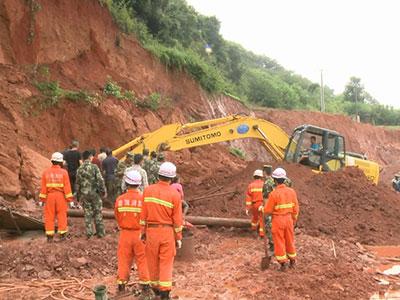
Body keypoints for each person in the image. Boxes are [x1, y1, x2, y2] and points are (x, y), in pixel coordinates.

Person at [140, 162, 183, 300]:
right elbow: (177, 220)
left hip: (151, 232)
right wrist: (178, 237)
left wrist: (143, 232)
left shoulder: (147, 190)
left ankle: (156, 290)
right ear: (172, 178)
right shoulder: (174, 195)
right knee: (166, 262)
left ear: (159, 174)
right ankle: (165, 294)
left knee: (152, 261)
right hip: (167, 233)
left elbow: (143, 215)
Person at [114, 170, 151, 297]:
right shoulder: (144, 200)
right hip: (140, 234)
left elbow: (117, 217)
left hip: (125, 234)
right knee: (143, 259)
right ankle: (146, 287)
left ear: (126, 183)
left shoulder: (119, 200)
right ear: (139, 184)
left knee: (124, 259)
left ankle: (121, 287)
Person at [263, 167, 299, 271]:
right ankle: (292, 261)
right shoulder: (292, 192)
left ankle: (283, 264)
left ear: (274, 180)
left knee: (279, 241)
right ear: (284, 179)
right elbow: (296, 208)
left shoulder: (273, 194)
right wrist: (294, 220)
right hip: (288, 219)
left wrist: (263, 210)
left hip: (278, 220)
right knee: (289, 240)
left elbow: (268, 211)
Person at [39, 152, 74, 242]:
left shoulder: (45, 172)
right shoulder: (64, 172)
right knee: (61, 215)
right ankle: (62, 235)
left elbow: (43, 188)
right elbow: (67, 187)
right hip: (60, 197)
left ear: (52, 161)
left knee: (49, 216)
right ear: (60, 162)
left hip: (50, 197)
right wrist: (70, 200)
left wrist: (42, 200)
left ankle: (50, 237)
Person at [75, 150, 107, 239]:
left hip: (84, 194)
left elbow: (77, 183)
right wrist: (103, 191)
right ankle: (100, 233)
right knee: (97, 212)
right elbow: (100, 180)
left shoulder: (79, 169)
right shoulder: (94, 167)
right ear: (90, 157)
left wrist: (78, 195)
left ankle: (89, 233)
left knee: (87, 213)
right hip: (94, 193)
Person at [245, 169, 265, 238]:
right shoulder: (264, 185)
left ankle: (254, 230)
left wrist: (248, 208)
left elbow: (248, 199)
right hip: (262, 204)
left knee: (255, 218)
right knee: (262, 219)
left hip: (254, 205)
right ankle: (262, 234)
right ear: (261, 176)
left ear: (254, 176)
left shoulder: (251, 186)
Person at [262, 165, 275, 251]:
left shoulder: (267, 184)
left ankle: (272, 245)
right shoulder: (275, 181)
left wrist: (265, 211)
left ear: (264, 172)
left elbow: (266, 199)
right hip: (277, 208)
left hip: (270, 209)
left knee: (269, 226)